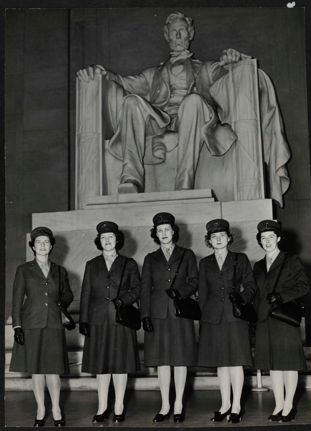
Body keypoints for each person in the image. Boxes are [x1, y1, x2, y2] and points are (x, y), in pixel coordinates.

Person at [77, 12, 244, 194]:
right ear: (167, 36)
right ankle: (131, 178)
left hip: (193, 118)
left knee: (193, 101)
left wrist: (233, 62)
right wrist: (101, 74)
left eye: (182, 30)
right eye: (174, 31)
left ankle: (184, 183)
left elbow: (228, 78)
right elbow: (123, 82)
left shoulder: (206, 68)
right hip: (161, 121)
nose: (178, 35)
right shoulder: (153, 74)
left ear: (191, 34)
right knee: (131, 101)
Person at [10, 226, 74, 427]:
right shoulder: (24, 270)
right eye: (39, 242)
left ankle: (56, 408)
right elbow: (16, 299)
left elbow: (68, 294)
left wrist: (62, 303)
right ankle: (40, 409)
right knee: (37, 369)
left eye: (46, 242)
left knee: (53, 369)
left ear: (52, 245)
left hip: (54, 323)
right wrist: (17, 326)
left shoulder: (60, 270)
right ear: (33, 246)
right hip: (32, 324)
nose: (43, 245)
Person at [79, 221, 140, 423]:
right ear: (99, 241)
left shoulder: (129, 264)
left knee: (120, 364)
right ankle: (102, 406)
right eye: (103, 238)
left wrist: (123, 300)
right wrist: (84, 320)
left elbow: (137, 290)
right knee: (101, 364)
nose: (107, 241)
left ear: (117, 240)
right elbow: (86, 293)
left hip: (121, 320)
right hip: (98, 320)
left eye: (111, 237)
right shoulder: (91, 264)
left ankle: (119, 405)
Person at [140, 212, 198, 423]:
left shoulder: (187, 254)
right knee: (162, 361)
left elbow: (194, 281)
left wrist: (180, 292)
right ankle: (165, 404)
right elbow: (145, 289)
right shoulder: (150, 258)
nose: (163, 233)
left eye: (167, 230)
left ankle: (179, 403)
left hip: (180, 313)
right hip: (157, 315)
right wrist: (144, 315)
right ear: (155, 234)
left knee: (180, 360)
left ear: (174, 232)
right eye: (159, 231)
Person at [197, 219, 256, 423]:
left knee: (236, 362)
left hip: (236, 317)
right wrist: (205, 316)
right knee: (221, 364)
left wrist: (242, 300)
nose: (218, 239)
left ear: (229, 238)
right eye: (214, 237)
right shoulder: (205, 263)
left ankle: (237, 405)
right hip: (213, 318)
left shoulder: (240, 259)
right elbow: (203, 293)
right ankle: (225, 404)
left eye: (222, 235)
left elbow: (250, 286)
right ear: (209, 241)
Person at [253, 220, 309, 422]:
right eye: (263, 238)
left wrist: (282, 296)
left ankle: (289, 405)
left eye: (270, 237)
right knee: (273, 365)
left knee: (289, 364)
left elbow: (304, 286)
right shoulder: (258, 266)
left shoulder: (290, 260)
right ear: (259, 241)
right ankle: (278, 404)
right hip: (264, 320)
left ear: (278, 238)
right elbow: (255, 293)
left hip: (284, 318)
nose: (266, 241)